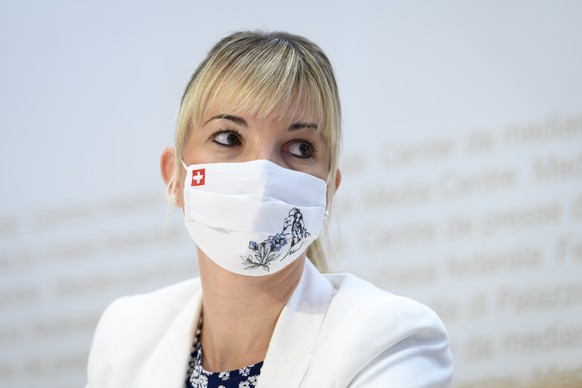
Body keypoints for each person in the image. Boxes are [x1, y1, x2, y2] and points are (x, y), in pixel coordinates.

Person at [86, 31, 453, 388]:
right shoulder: (125, 336)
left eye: (300, 148)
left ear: (327, 192)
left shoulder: (389, 340)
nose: (263, 172)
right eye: (229, 138)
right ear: (174, 179)